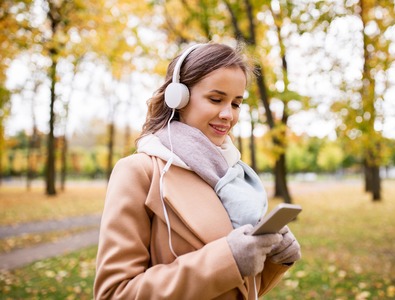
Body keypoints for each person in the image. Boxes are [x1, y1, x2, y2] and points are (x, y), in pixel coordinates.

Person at [94, 42, 301, 300]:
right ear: (178, 98)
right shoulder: (140, 172)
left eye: (236, 104)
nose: (228, 114)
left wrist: (273, 261)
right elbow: (113, 293)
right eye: (216, 99)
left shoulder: (231, 174)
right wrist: (228, 260)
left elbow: (237, 291)